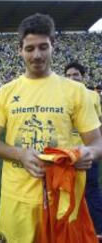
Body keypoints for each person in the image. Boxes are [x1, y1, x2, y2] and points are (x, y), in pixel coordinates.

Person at [0, 13, 102, 242]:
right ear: (20, 50)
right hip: (16, 199)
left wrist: (87, 152)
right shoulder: (6, 92)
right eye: (29, 48)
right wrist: (20, 154)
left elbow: (98, 142)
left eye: (43, 47)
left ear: (53, 46)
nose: (36, 55)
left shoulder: (75, 91)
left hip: (61, 200)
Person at [65, 61, 102, 238]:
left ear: (83, 76)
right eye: (69, 75)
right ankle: (72, 230)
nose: (72, 78)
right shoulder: (61, 95)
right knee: (66, 193)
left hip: (87, 154)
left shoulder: (93, 96)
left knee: (91, 191)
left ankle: (99, 230)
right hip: (65, 154)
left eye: (76, 75)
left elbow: (98, 126)